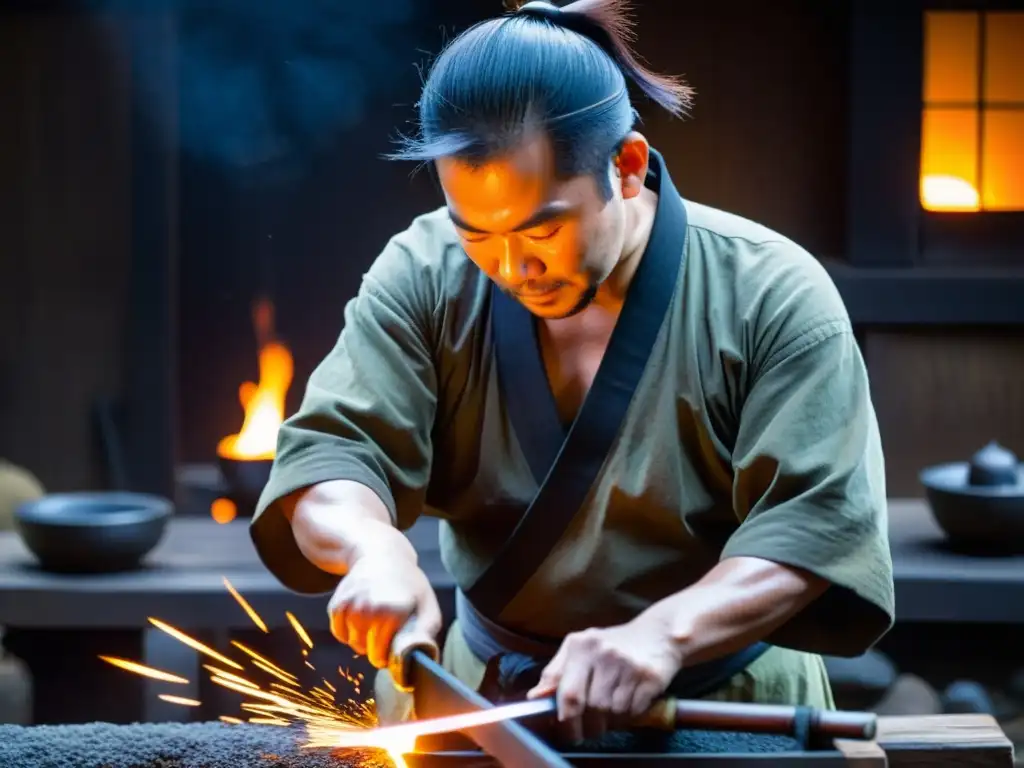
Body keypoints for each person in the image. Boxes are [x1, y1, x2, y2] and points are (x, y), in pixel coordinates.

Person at [250, 0, 895, 743]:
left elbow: (816, 524)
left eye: (543, 229)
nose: (513, 267)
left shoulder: (770, 293)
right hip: (484, 703)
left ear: (625, 166)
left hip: (718, 703)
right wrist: (373, 548)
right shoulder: (424, 271)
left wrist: (663, 636)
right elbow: (333, 451)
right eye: (478, 235)